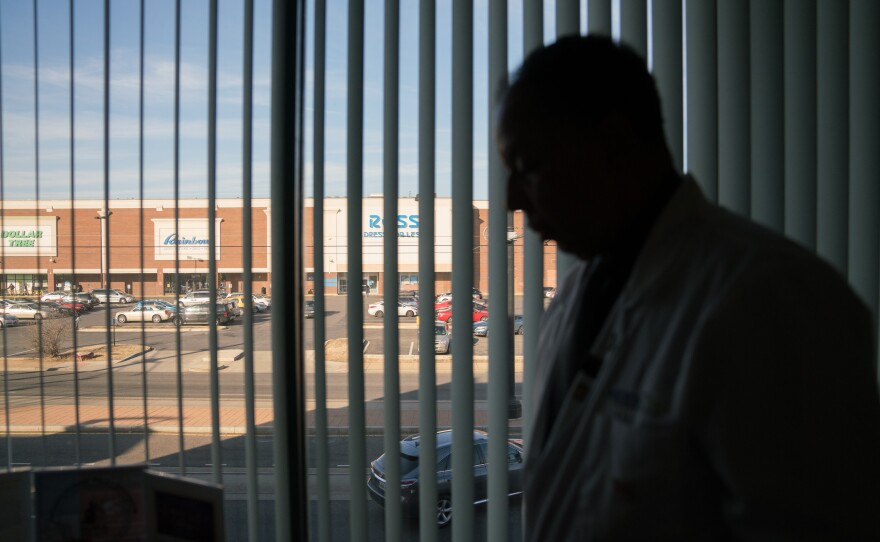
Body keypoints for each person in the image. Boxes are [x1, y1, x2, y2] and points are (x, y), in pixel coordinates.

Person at [495, 35, 880, 541]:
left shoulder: (772, 297)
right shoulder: (573, 301)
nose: (510, 198)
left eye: (529, 167)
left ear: (613, 142)